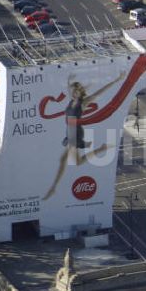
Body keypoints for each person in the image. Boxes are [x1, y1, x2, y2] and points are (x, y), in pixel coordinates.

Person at [43, 71, 126, 200]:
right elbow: (68, 89)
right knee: (76, 162)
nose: (74, 93)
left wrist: (117, 80)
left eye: (76, 91)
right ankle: (101, 149)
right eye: (73, 91)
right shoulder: (71, 101)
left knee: (63, 160)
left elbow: (100, 92)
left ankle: (53, 188)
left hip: (75, 132)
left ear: (80, 92)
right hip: (69, 131)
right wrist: (68, 81)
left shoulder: (83, 102)